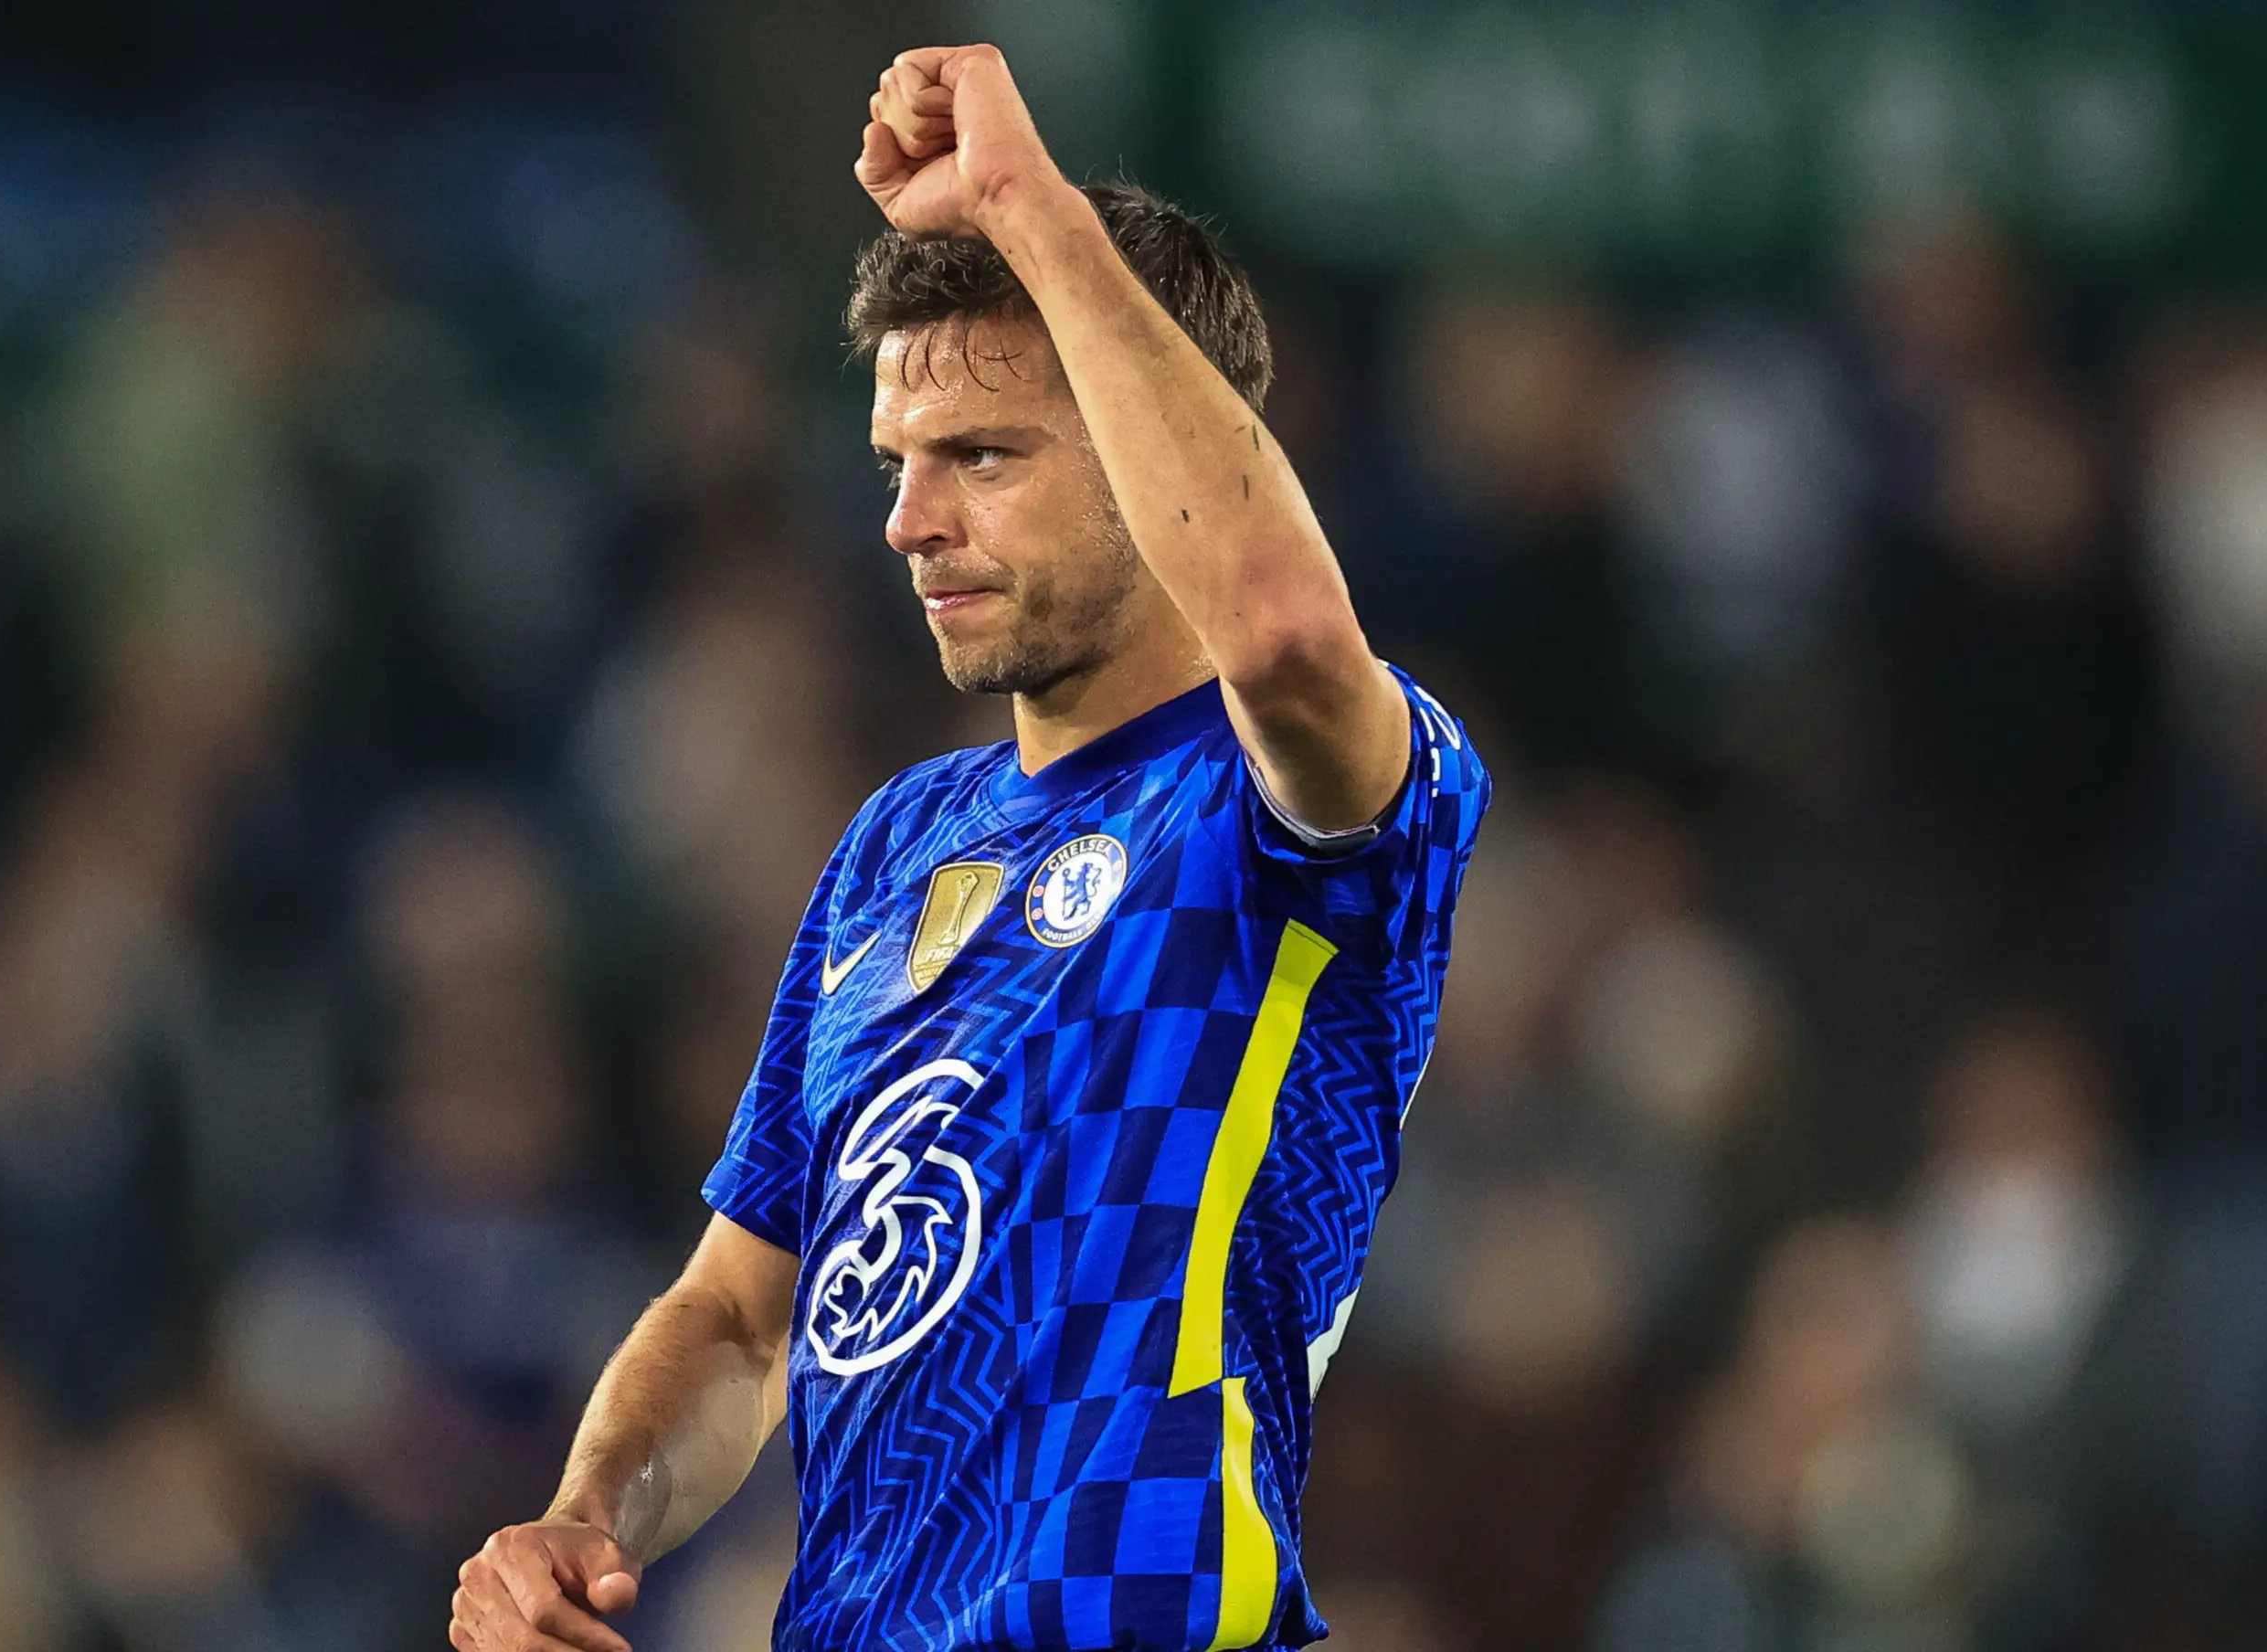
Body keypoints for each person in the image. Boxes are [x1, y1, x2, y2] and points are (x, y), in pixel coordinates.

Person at [450, 44, 1489, 1652]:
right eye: (897, 464)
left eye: (981, 458)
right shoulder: (896, 843)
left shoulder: (1297, 801)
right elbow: (740, 1313)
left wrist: (1027, 203)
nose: (907, 520)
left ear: (1155, 451)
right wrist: (579, 1527)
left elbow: (1281, 630)